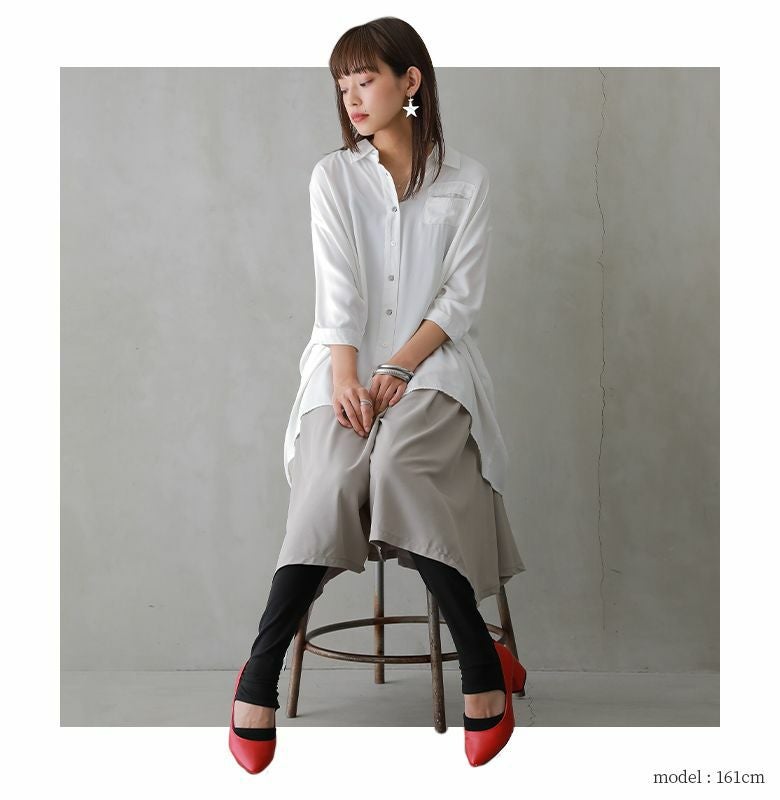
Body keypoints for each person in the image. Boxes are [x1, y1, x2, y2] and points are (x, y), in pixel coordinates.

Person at [229, 16, 527, 773]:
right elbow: (339, 292)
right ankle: (259, 669)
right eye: (342, 85)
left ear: (410, 82)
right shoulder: (332, 177)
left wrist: (398, 368)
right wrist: (346, 379)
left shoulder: (468, 180)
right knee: (332, 476)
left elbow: (460, 300)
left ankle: (478, 663)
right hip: (342, 364)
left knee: (400, 467)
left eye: (366, 80)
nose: (352, 98)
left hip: (435, 365)